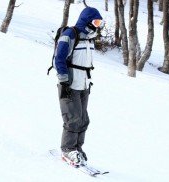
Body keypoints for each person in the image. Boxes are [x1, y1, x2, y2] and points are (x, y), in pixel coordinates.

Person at [53, 7, 104, 166]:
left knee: (83, 119)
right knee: (73, 118)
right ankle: (68, 149)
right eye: (95, 21)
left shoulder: (89, 39)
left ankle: (77, 148)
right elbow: (59, 58)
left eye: (99, 22)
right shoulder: (70, 35)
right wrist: (63, 80)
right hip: (70, 84)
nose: (97, 25)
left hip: (84, 84)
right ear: (87, 20)